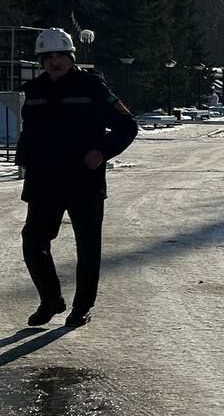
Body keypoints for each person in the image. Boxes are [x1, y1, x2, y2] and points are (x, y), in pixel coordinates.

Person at [15, 27, 138, 328]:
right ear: (41, 61)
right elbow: (29, 132)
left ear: (70, 57)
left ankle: (81, 307)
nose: (54, 62)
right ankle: (51, 299)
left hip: (83, 181)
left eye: (60, 56)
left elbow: (127, 125)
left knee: (87, 247)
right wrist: (24, 159)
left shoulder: (91, 87)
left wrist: (102, 151)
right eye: (48, 57)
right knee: (34, 243)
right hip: (44, 181)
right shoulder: (34, 90)